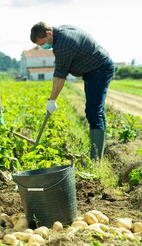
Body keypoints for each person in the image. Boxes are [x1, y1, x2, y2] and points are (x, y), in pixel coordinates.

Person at [30, 22, 115, 161]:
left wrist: (52, 100)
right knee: (94, 111)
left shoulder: (63, 44)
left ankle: (96, 159)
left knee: (94, 111)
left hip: (100, 69)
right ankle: (97, 153)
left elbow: (59, 76)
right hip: (92, 70)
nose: (43, 47)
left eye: (43, 43)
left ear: (48, 33)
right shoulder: (60, 33)